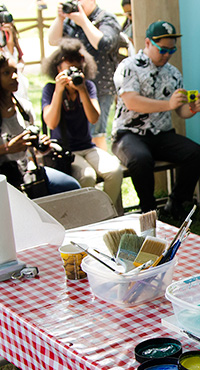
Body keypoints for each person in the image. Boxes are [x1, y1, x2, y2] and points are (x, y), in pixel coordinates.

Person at [111, 20, 200, 218]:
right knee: (141, 160)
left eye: (171, 51)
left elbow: (180, 111)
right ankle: (149, 210)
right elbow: (131, 102)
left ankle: (176, 202)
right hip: (130, 134)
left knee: (196, 153)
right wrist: (168, 105)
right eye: (162, 49)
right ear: (147, 43)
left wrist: (192, 109)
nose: (167, 55)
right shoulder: (128, 66)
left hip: (162, 134)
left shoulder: (173, 73)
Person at [41, 38, 123, 212]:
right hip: (64, 151)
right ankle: (91, 216)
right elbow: (51, 121)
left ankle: (110, 213)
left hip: (87, 147)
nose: (73, 74)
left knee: (114, 171)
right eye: (69, 70)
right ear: (58, 70)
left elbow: (94, 118)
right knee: (87, 176)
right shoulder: (50, 89)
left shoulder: (88, 87)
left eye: (77, 69)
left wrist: (82, 90)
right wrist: (59, 90)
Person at [47, 0, 121, 152]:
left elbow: (104, 44)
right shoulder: (70, 22)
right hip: (71, 87)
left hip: (100, 83)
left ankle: (101, 168)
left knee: (97, 131)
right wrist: (60, 19)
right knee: (80, 132)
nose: (76, 3)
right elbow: (53, 41)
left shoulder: (106, 19)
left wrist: (84, 22)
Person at [0, 55, 80, 195]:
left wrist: (40, 144)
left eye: (15, 71)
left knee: (72, 187)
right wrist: (7, 148)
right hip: (4, 177)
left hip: (28, 171)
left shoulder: (24, 107)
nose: (14, 77)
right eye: (6, 73)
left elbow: (33, 151)